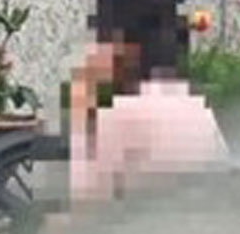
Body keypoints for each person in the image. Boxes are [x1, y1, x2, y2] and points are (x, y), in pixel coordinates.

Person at [66, 25, 229, 205]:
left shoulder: (121, 115)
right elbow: (221, 169)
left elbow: (86, 192)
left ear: (123, 55)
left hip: (139, 214)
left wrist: (81, 92)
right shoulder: (200, 111)